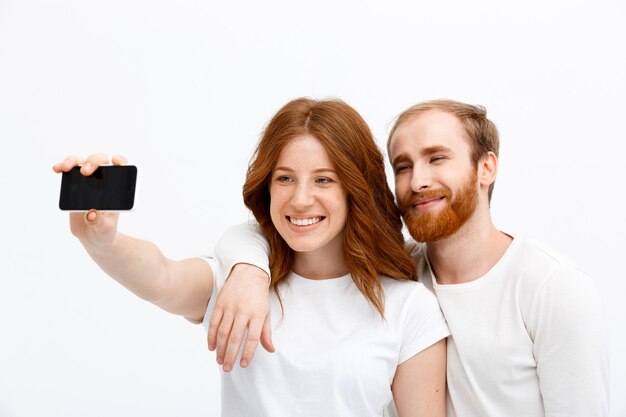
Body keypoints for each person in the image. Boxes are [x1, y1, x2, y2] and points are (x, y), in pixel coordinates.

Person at [208, 99, 610, 417]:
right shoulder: (400, 271)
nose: (417, 180)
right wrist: (249, 270)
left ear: (486, 167)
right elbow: (272, 231)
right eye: (403, 166)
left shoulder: (552, 288)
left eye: (437, 158)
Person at [53, 98, 450, 417]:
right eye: (285, 178)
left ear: (355, 190)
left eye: (324, 179)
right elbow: (161, 276)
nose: (300, 199)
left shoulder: (408, 307)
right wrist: (103, 240)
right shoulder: (237, 282)